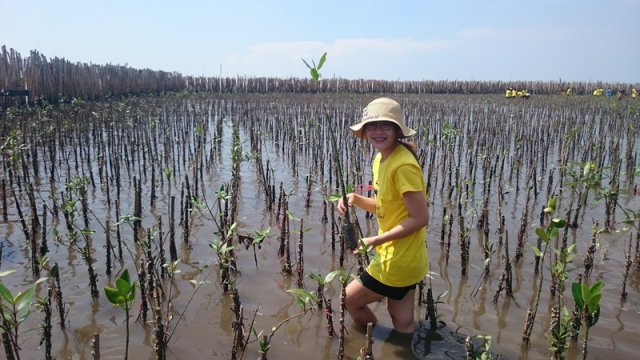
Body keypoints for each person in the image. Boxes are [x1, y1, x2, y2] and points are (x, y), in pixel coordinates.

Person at [337, 97, 429, 334]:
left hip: (396, 262)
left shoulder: (402, 166)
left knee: (348, 299)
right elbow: (388, 205)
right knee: (402, 323)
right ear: (365, 131)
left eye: (385, 125)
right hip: (408, 258)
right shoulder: (382, 158)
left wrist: (374, 240)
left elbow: (420, 218)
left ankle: (371, 341)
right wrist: (357, 199)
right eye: (372, 125)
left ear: (397, 130)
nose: (378, 131)